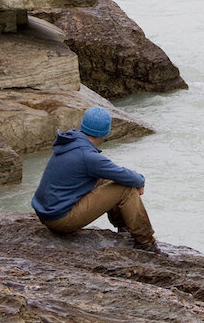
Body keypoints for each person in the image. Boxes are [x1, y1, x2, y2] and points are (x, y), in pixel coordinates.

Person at [31, 106, 161, 253]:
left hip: (47, 212)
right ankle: (146, 242)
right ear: (105, 132)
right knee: (126, 188)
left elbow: (113, 173)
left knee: (107, 179)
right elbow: (126, 176)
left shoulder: (70, 142)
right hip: (60, 220)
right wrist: (141, 181)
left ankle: (124, 227)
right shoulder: (87, 156)